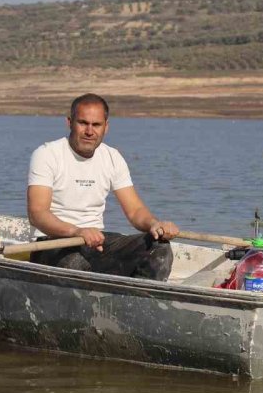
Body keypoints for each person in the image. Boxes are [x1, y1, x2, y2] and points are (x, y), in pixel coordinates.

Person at [26, 93, 179, 280]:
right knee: (75, 263)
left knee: (159, 248)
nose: (89, 131)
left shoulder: (112, 157)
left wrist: (155, 224)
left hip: (96, 243)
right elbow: (38, 214)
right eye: (83, 123)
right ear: (69, 122)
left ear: (106, 127)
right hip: (51, 244)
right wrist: (77, 231)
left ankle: (135, 299)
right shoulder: (47, 154)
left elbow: (135, 211)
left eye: (96, 125)